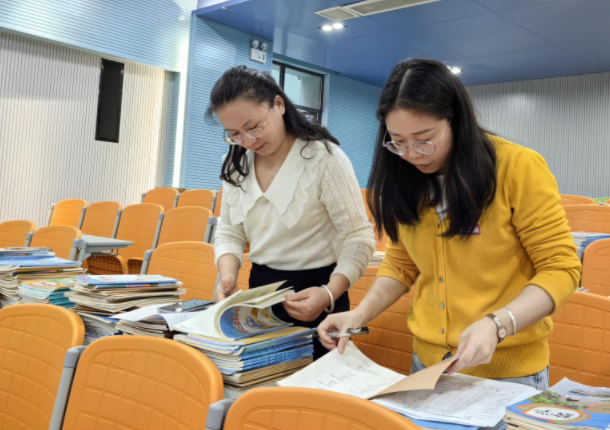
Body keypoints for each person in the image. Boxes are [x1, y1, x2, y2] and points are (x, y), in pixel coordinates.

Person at [317, 58, 581, 389]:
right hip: (427, 365)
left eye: (425, 138)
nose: (412, 153)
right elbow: (401, 265)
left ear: (456, 120)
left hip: (508, 373)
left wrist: (498, 324)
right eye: (398, 141)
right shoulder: (405, 177)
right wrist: (359, 315)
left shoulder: (516, 167)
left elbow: (561, 268)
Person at [208, 65, 376, 359]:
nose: (248, 141)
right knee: (261, 379)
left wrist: (329, 293)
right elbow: (230, 230)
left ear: (279, 104)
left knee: (316, 383)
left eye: (254, 127)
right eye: (234, 134)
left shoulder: (324, 158)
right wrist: (228, 276)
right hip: (260, 298)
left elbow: (358, 238)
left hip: (319, 295)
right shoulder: (236, 162)